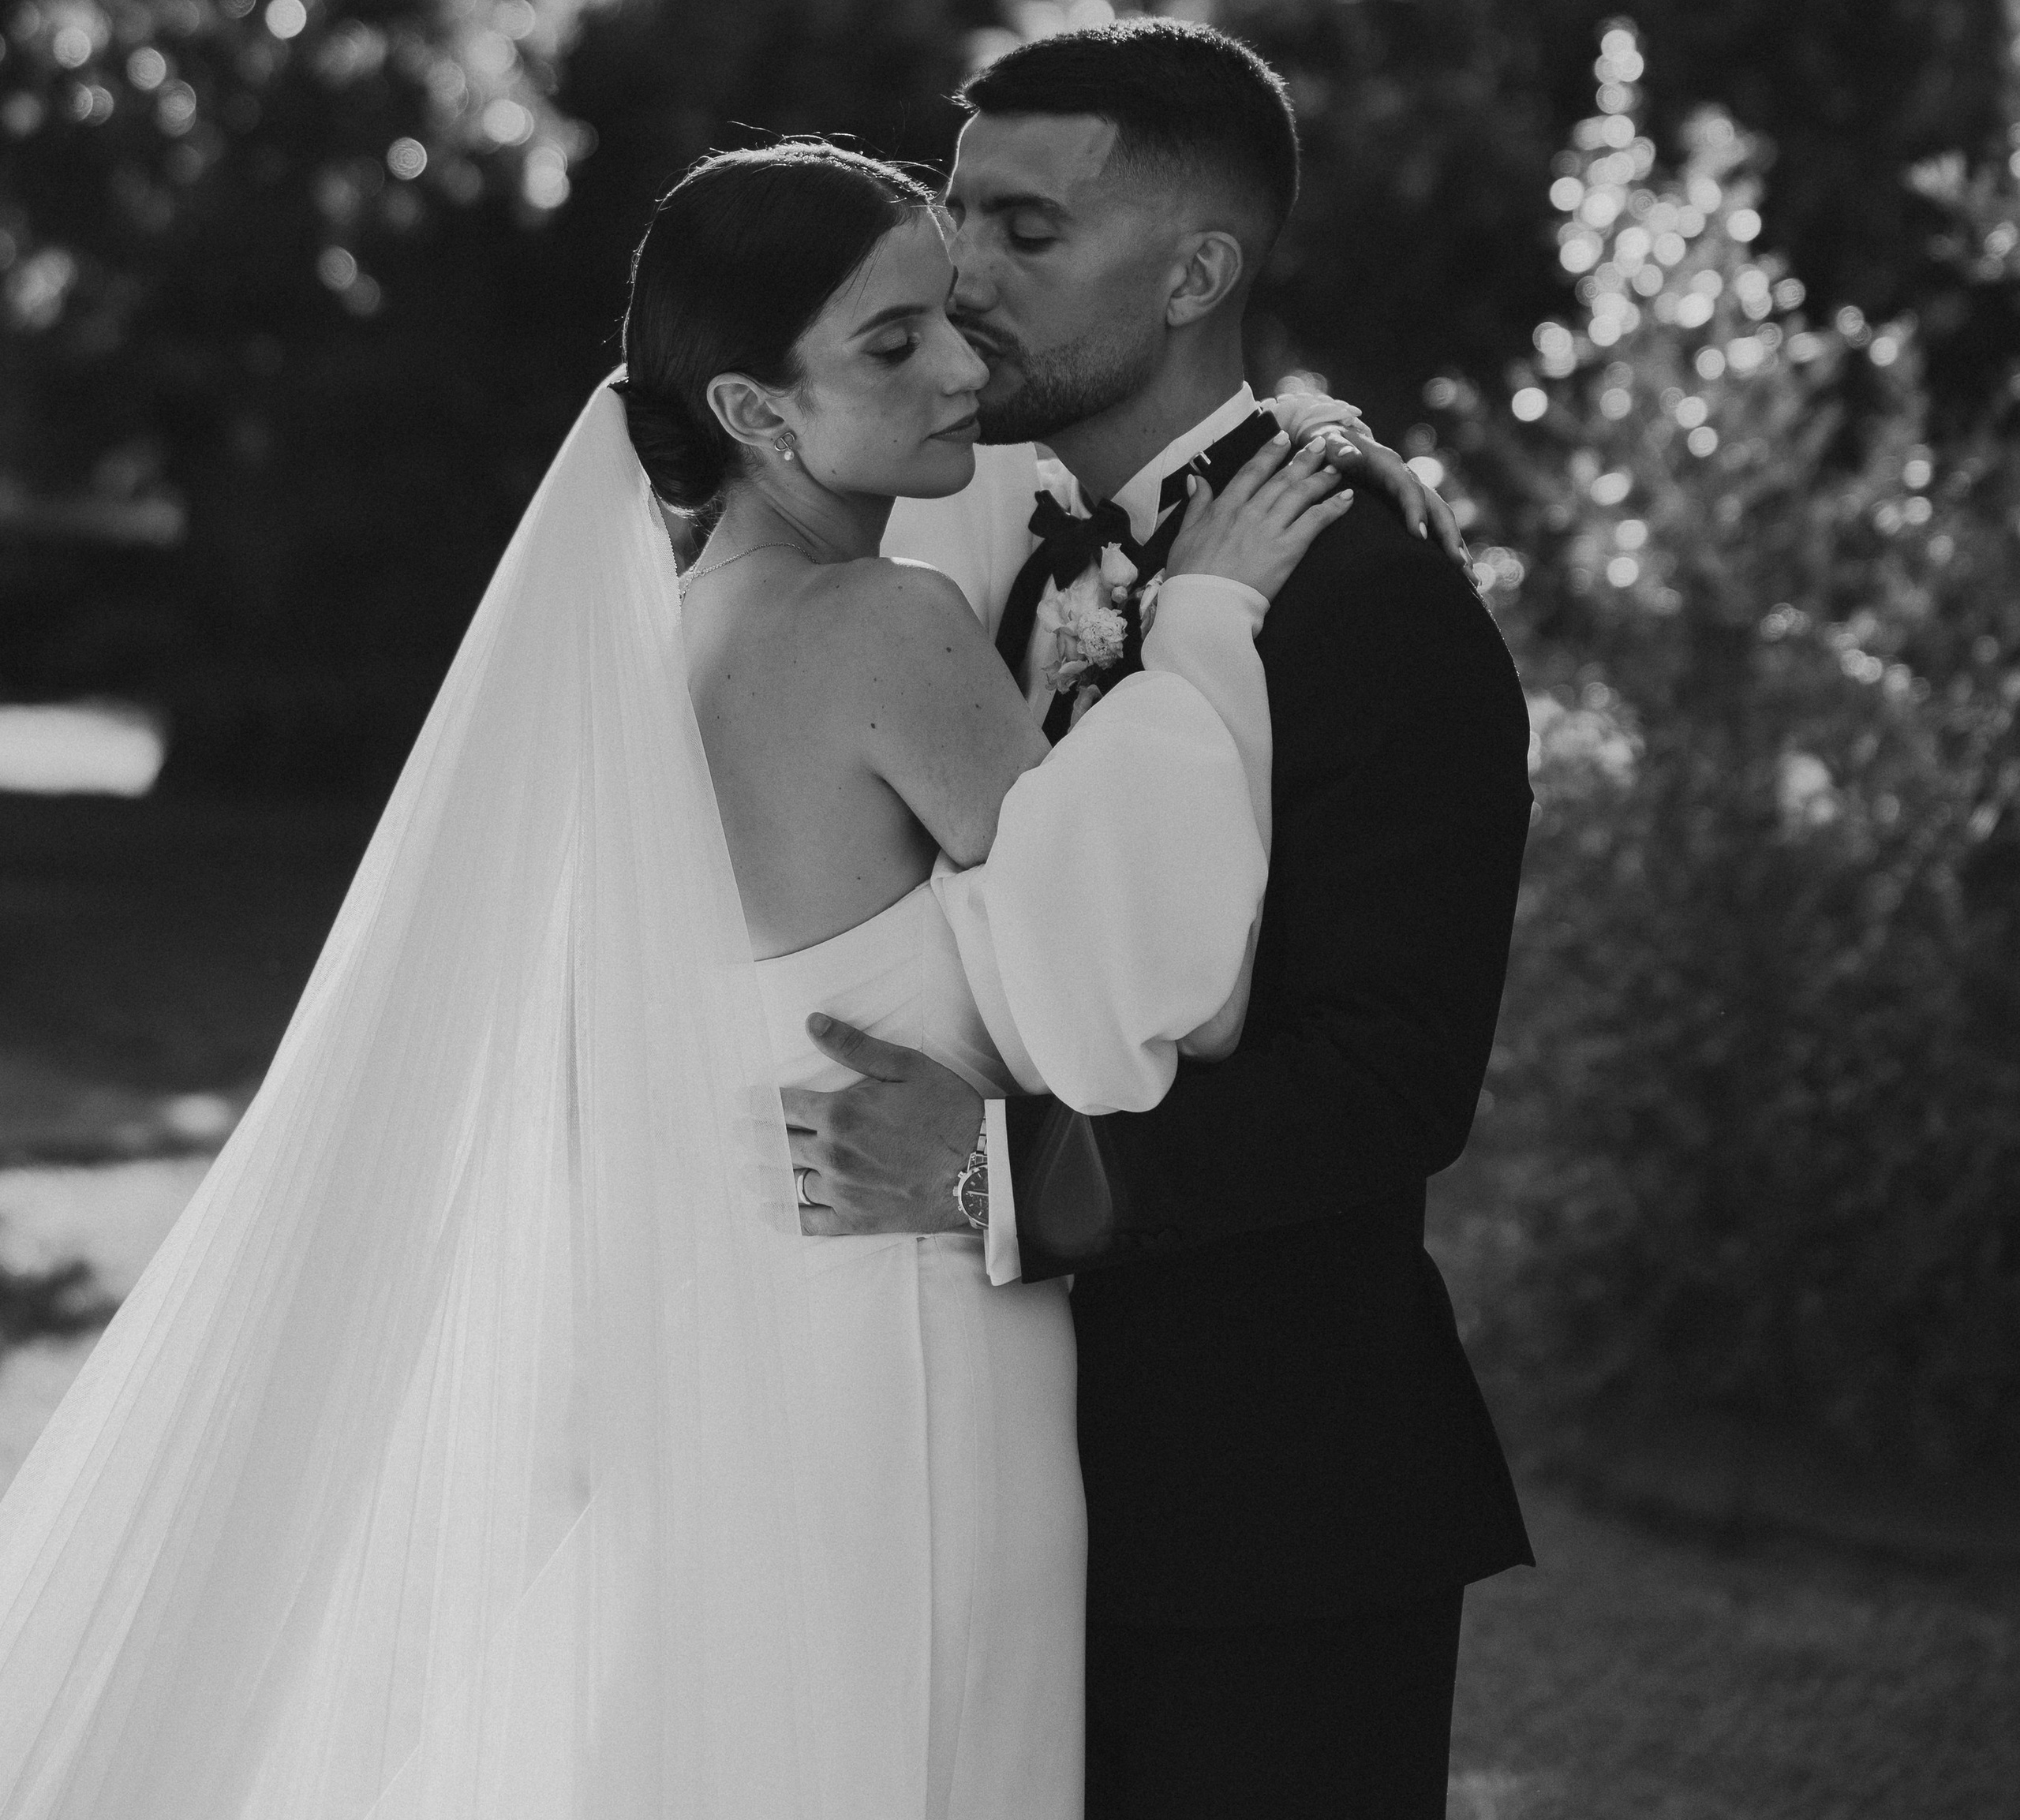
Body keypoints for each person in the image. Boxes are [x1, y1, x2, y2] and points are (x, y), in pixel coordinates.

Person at [0, 134, 1427, 1820]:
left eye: (953, 317)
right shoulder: (877, 628)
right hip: (902, 1356)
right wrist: (1200, 620)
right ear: (755, 412)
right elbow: (1140, 985)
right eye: (895, 344)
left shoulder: (678, 638)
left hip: (734, 1354)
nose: (965, 364)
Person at [784, 22, 1536, 1820]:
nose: (958, 271)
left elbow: (1386, 1084)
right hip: (988, 1476)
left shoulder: (1377, 607)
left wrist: (991, 1174)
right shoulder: (1009, 542)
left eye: (1025, 231)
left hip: (1263, 1505)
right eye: (956, 211)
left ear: (1198, 270)